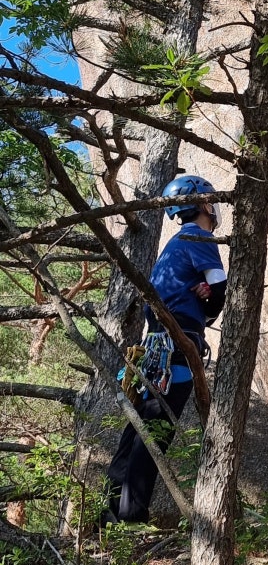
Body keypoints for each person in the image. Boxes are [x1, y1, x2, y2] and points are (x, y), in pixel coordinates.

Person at [103, 173, 227, 524]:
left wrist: (202, 294)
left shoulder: (175, 244)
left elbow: (195, 290)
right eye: (211, 200)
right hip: (178, 343)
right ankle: (131, 516)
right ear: (203, 203)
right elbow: (219, 290)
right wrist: (211, 298)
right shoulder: (199, 236)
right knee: (156, 429)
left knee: (138, 427)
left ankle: (111, 513)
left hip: (156, 342)